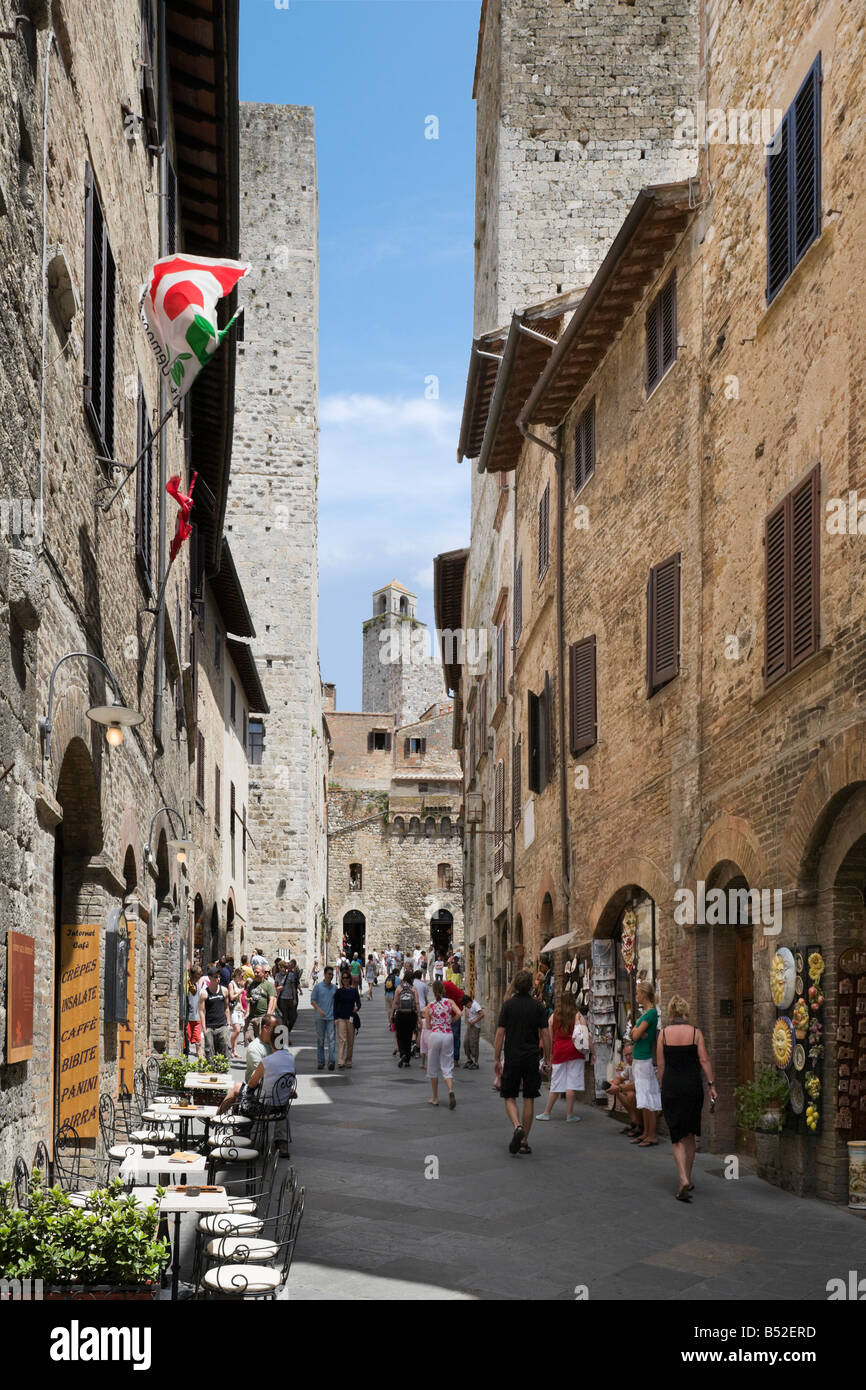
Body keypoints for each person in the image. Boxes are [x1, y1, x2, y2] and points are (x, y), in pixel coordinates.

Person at [657, 996, 718, 1202]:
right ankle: (688, 1178)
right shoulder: (695, 1033)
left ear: (671, 1012)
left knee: (676, 1136)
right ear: (686, 1012)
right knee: (690, 1134)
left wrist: (661, 1085)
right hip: (692, 1087)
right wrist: (711, 1085)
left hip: (672, 1087)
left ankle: (682, 1178)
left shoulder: (663, 1034)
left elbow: (661, 1065)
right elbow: (704, 1060)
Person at [494, 969, 551, 1155]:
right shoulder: (538, 1007)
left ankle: (517, 1126)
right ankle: (524, 1141)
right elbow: (545, 1034)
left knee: (509, 1095)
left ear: (516, 985)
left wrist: (496, 1058)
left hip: (513, 1056)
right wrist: (548, 1058)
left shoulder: (508, 1006)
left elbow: (500, 1033)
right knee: (529, 1097)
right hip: (532, 1056)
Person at [536, 995, 588, 1122]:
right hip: (575, 1052)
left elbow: (549, 1035)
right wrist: (592, 1052)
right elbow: (586, 1034)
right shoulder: (578, 1015)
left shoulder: (554, 1016)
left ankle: (546, 1112)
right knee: (571, 1084)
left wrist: (548, 1054)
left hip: (559, 1051)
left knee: (556, 1083)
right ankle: (570, 1115)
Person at [630, 980, 662, 1147]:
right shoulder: (646, 1014)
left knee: (646, 1097)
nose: (636, 996)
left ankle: (651, 1134)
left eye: (637, 993)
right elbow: (633, 1033)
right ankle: (646, 1132)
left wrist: (636, 1032)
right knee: (643, 1097)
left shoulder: (650, 1014)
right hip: (639, 1057)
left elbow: (635, 1036)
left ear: (644, 994)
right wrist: (635, 1032)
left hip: (643, 1059)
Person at [423, 980, 461, 1108]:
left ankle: (435, 1098)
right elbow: (459, 1013)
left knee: (433, 1066)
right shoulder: (449, 1002)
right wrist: (451, 1021)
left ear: (433, 992)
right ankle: (450, 1090)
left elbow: (428, 1025)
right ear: (444, 990)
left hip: (435, 1035)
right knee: (447, 1065)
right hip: (448, 1035)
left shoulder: (430, 1006)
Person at [608, 1043, 640, 1134]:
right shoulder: (629, 1066)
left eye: (630, 1054)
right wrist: (613, 1084)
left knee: (629, 1094)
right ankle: (634, 1121)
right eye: (626, 1055)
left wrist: (619, 1087)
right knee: (619, 1092)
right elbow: (620, 1078)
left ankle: (639, 1124)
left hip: (647, 1095)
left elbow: (636, 1085)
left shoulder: (639, 1064)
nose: (628, 1057)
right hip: (637, 1093)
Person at [311, 965, 337, 1071]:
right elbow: (313, 1000)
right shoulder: (318, 987)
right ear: (325, 974)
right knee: (320, 1040)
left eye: (332, 974)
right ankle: (321, 1062)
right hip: (320, 1018)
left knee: (331, 1040)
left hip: (331, 1018)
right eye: (329, 974)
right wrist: (319, 1009)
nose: (331, 976)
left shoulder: (335, 988)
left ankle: (331, 1061)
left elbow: (337, 1002)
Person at [334, 968, 362, 1068]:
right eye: (343, 978)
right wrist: (335, 1018)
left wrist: (356, 1007)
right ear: (342, 980)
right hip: (341, 1018)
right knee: (342, 1040)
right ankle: (341, 1061)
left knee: (350, 1040)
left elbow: (359, 1003)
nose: (345, 979)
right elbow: (335, 1005)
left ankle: (348, 1060)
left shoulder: (353, 991)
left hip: (350, 1018)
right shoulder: (339, 992)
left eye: (346, 978)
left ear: (349, 979)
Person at [393, 967, 419, 1068]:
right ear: (412, 979)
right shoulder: (413, 989)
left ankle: (402, 1053)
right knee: (408, 1037)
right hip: (411, 1015)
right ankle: (407, 1059)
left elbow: (395, 1003)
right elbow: (416, 1003)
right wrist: (419, 1017)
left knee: (400, 1036)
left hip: (400, 1014)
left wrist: (392, 1015)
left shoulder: (399, 988)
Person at [203, 965, 231, 1059]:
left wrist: (229, 1024)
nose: (218, 979)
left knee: (225, 1048)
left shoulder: (224, 991)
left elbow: (227, 1008)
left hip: (222, 1024)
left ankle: (224, 1070)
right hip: (210, 1026)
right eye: (216, 977)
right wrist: (204, 1029)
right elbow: (201, 1012)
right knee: (209, 1051)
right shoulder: (204, 993)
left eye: (219, 976)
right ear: (210, 978)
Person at [245, 961, 277, 1038]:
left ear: (263, 973)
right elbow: (246, 997)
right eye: (254, 972)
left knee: (262, 1039)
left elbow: (272, 999)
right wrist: (248, 999)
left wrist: (268, 1014)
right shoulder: (251, 984)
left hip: (262, 1017)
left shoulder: (268, 985)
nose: (255, 974)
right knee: (248, 1037)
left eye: (257, 972)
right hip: (252, 1017)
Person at [185, 964, 205, 1058]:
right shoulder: (187, 985)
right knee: (187, 1039)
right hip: (188, 1017)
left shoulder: (197, 985)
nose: (198, 978)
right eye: (197, 976)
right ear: (193, 975)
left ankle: (200, 1057)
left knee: (198, 1041)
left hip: (196, 1017)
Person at [228, 967, 246, 1058]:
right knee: (237, 1030)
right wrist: (240, 992)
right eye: (242, 976)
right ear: (238, 975)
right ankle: (229, 1047)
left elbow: (239, 1000)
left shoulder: (238, 984)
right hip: (233, 1010)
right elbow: (231, 997)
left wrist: (243, 1009)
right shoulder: (231, 984)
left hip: (239, 1009)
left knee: (238, 1032)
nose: (242, 978)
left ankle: (234, 1050)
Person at [414, 969, 430, 1066]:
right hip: (422, 1008)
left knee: (414, 1029)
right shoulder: (423, 985)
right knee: (420, 1029)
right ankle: (419, 1048)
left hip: (413, 1008)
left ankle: (414, 1045)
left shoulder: (411, 984)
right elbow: (425, 997)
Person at [462, 994, 484, 1068]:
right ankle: (469, 1060)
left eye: (466, 1005)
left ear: (469, 1002)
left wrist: (474, 1022)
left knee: (473, 1044)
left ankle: (476, 1062)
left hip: (475, 1027)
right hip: (470, 1026)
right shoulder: (469, 1006)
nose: (466, 1006)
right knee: (466, 1042)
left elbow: (482, 1014)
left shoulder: (475, 1005)